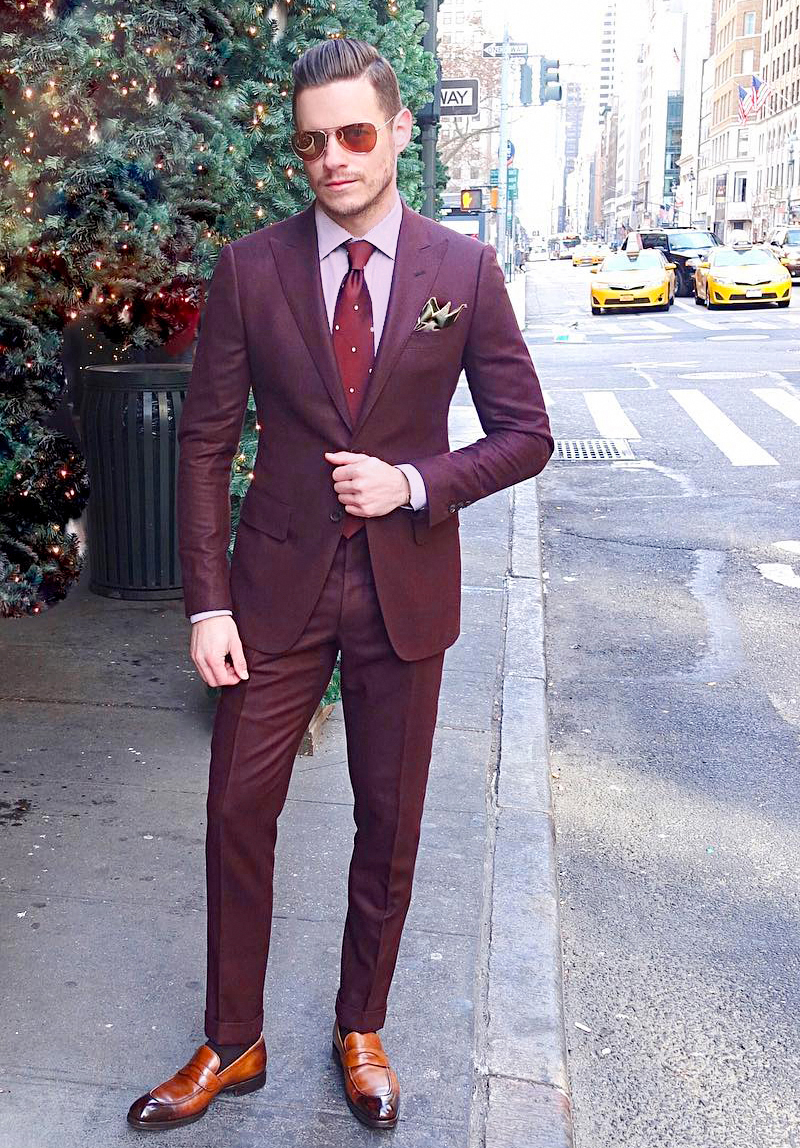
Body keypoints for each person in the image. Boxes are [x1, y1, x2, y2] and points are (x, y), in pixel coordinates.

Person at [126, 37, 552, 1133]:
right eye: (311, 141)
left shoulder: (460, 274)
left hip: (404, 593)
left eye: (354, 134)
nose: (332, 159)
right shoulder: (250, 269)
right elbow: (207, 446)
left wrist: (413, 479)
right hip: (271, 592)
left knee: (389, 820)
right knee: (234, 803)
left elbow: (525, 435)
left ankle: (359, 1024)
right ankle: (235, 1037)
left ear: (400, 132)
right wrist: (207, 601)